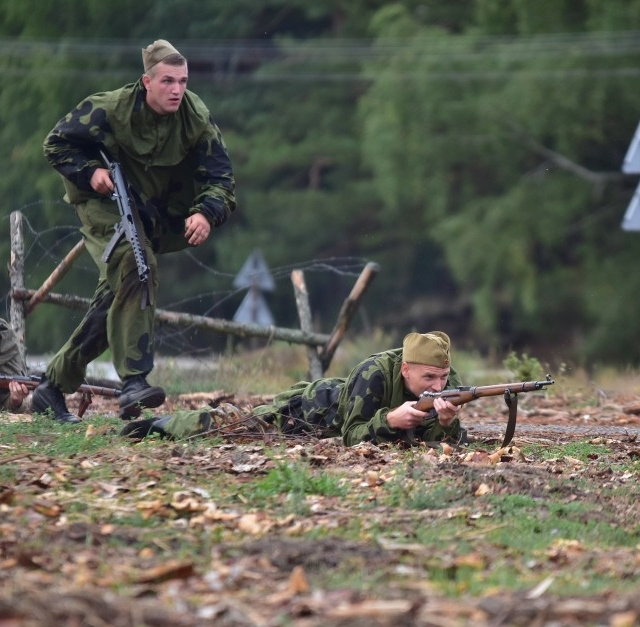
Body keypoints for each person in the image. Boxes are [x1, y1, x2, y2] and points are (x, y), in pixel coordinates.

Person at [33, 39, 236, 424]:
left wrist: (207, 214)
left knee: (116, 297)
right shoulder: (109, 109)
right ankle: (134, 382)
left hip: (152, 211)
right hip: (102, 202)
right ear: (146, 81)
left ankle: (51, 388)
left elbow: (221, 178)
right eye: (167, 81)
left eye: (183, 81)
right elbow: (56, 144)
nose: (177, 90)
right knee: (136, 263)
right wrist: (90, 173)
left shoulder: (195, 117)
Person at [122, 331, 467, 445]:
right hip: (307, 412)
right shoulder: (373, 373)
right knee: (232, 425)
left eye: (443, 377)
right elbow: (351, 435)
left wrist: (448, 423)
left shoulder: (446, 379)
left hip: (327, 419)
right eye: (429, 379)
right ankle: (159, 425)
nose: (439, 386)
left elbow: (443, 441)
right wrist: (390, 421)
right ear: (406, 369)